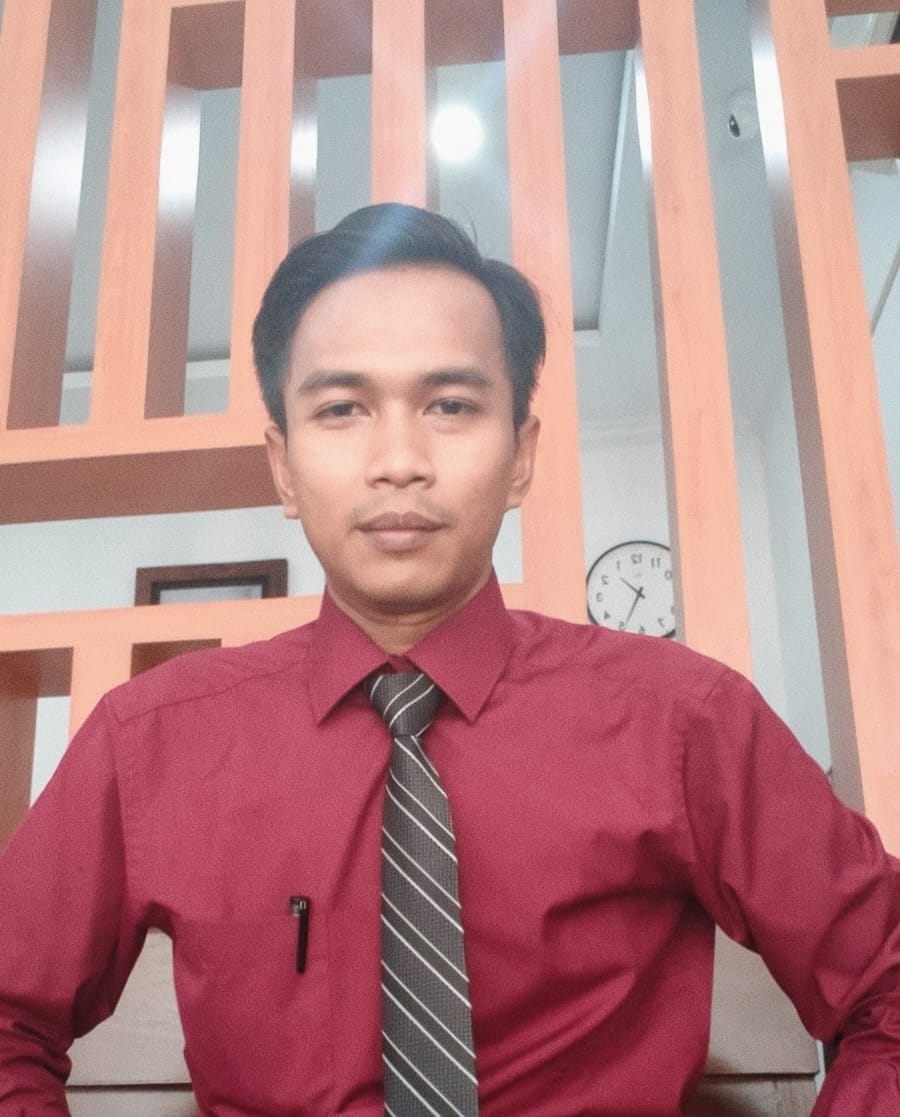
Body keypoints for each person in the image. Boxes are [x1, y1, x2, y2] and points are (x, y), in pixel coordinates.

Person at [0, 203, 898, 1116]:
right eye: (341, 409)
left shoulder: (686, 719)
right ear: (283, 465)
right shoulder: (150, 741)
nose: (400, 460)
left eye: (451, 406)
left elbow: (888, 986)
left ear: (521, 456)